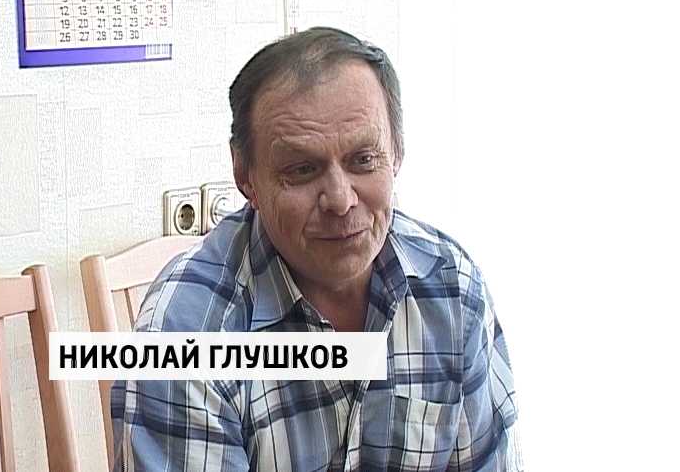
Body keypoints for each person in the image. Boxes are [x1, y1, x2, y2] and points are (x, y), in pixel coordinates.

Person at [111, 27, 523, 471]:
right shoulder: (183, 338)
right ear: (245, 175)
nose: (341, 200)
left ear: (397, 152)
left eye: (363, 160)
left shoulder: (450, 287)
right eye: (302, 170)